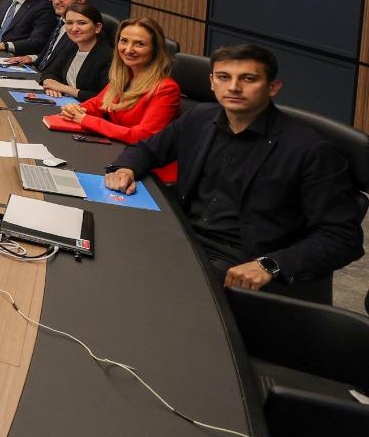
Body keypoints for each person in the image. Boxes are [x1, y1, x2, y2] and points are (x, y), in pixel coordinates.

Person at [104, 44, 364, 303]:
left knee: (138, 291)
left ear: (273, 87)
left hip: (240, 261)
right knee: (105, 251)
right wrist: (125, 168)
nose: (233, 87)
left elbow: (342, 238)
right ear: (211, 82)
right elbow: (147, 149)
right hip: (183, 237)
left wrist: (270, 265)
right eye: (224, 77)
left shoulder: (310, 151)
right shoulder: (200, 118)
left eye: (248, 79)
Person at [56, 17, 181, 159]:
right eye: (124, 41)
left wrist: (85, 119)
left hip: (141, 161)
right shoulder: (124, 76)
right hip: (114, 150)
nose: (128, 49)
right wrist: (75, 109)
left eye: (139, 44)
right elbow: (97, 104)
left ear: (155, 50)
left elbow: (143, 136)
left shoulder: (166, 89)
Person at [4, 0, 86, 68]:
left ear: (81, 0)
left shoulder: (81, 31)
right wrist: (32, 58)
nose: (56, 2)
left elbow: (65, 63)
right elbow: (51, 55)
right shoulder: (60, 23)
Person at [35, 2, 111, 102]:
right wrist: (50, 84)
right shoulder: (72, 47)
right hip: (65, 103)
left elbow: (105, 98)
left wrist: (63, 88)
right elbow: (50, 72)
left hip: (87, 109)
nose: (74, 29)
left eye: (82, 23)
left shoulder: (108, 57)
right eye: (69, 23)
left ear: (97, 27)